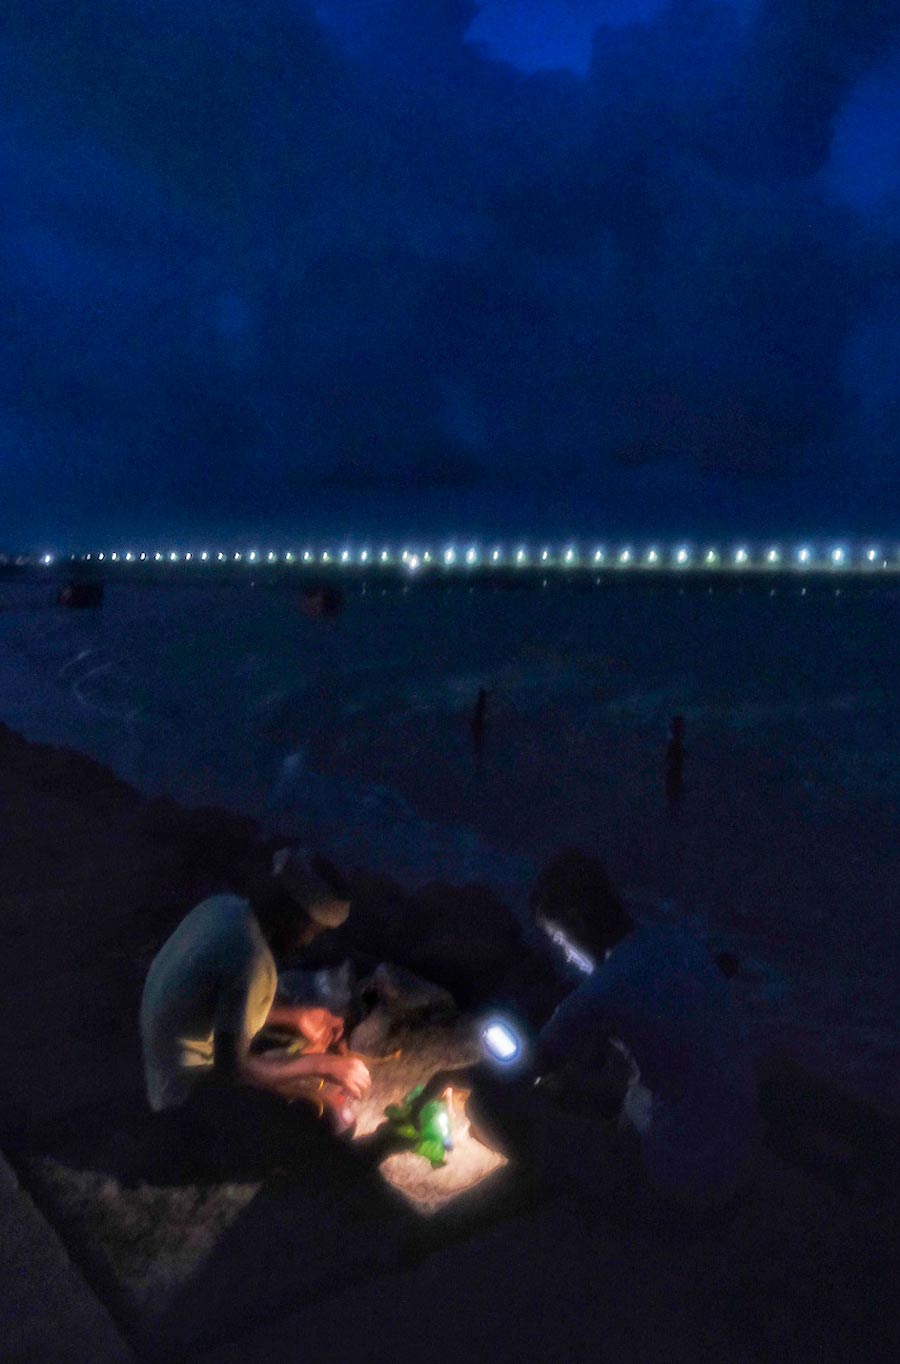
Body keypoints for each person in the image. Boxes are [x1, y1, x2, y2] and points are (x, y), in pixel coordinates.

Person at [529, 851, 758, 1206]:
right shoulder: (676, 941)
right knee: (615, 1077)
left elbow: (530, 1063)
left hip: (682, 1175)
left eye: (559, 939)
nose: (565, 955)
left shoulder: (606, 987)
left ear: (577, 920)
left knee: (496, 1107)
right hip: (740, 1155)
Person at [140, 845, 372, 1139]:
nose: (310, 942)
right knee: (329, 1120)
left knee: (293, 1052)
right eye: (316, 930)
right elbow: (235, 1070)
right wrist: (323, 1066)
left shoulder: (225, 907)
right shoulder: (253, 963)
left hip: (161, 1045)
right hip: (180, 1088)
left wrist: (295, 1017)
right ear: (296, 919)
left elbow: (219, 996)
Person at [663, 714, 687, 819]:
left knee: (674, 790)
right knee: (675, 790)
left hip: (674, 767)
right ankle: (673, 814)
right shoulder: (674, 739)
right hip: (674, 768)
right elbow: (672, 753)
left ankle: (673, 813)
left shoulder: (673, 738)